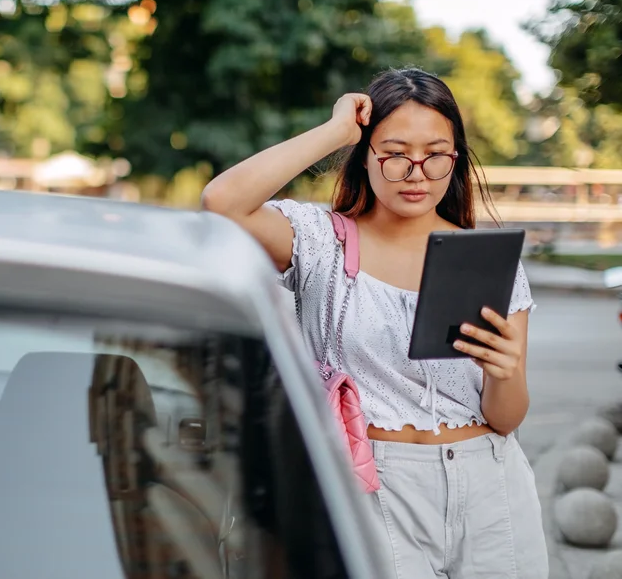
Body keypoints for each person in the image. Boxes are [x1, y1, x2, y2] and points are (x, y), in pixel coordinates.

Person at [201, 68, 548, 578]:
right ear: (365, 154)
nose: (417, 172)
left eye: (435, 154)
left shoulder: (488, 260)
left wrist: (504, 371)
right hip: (375, 486)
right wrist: (335, 130)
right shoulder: (321, 242)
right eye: (394, 153)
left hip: (492, 485)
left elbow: (506, 418)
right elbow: (221, 204)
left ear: (456, 158)